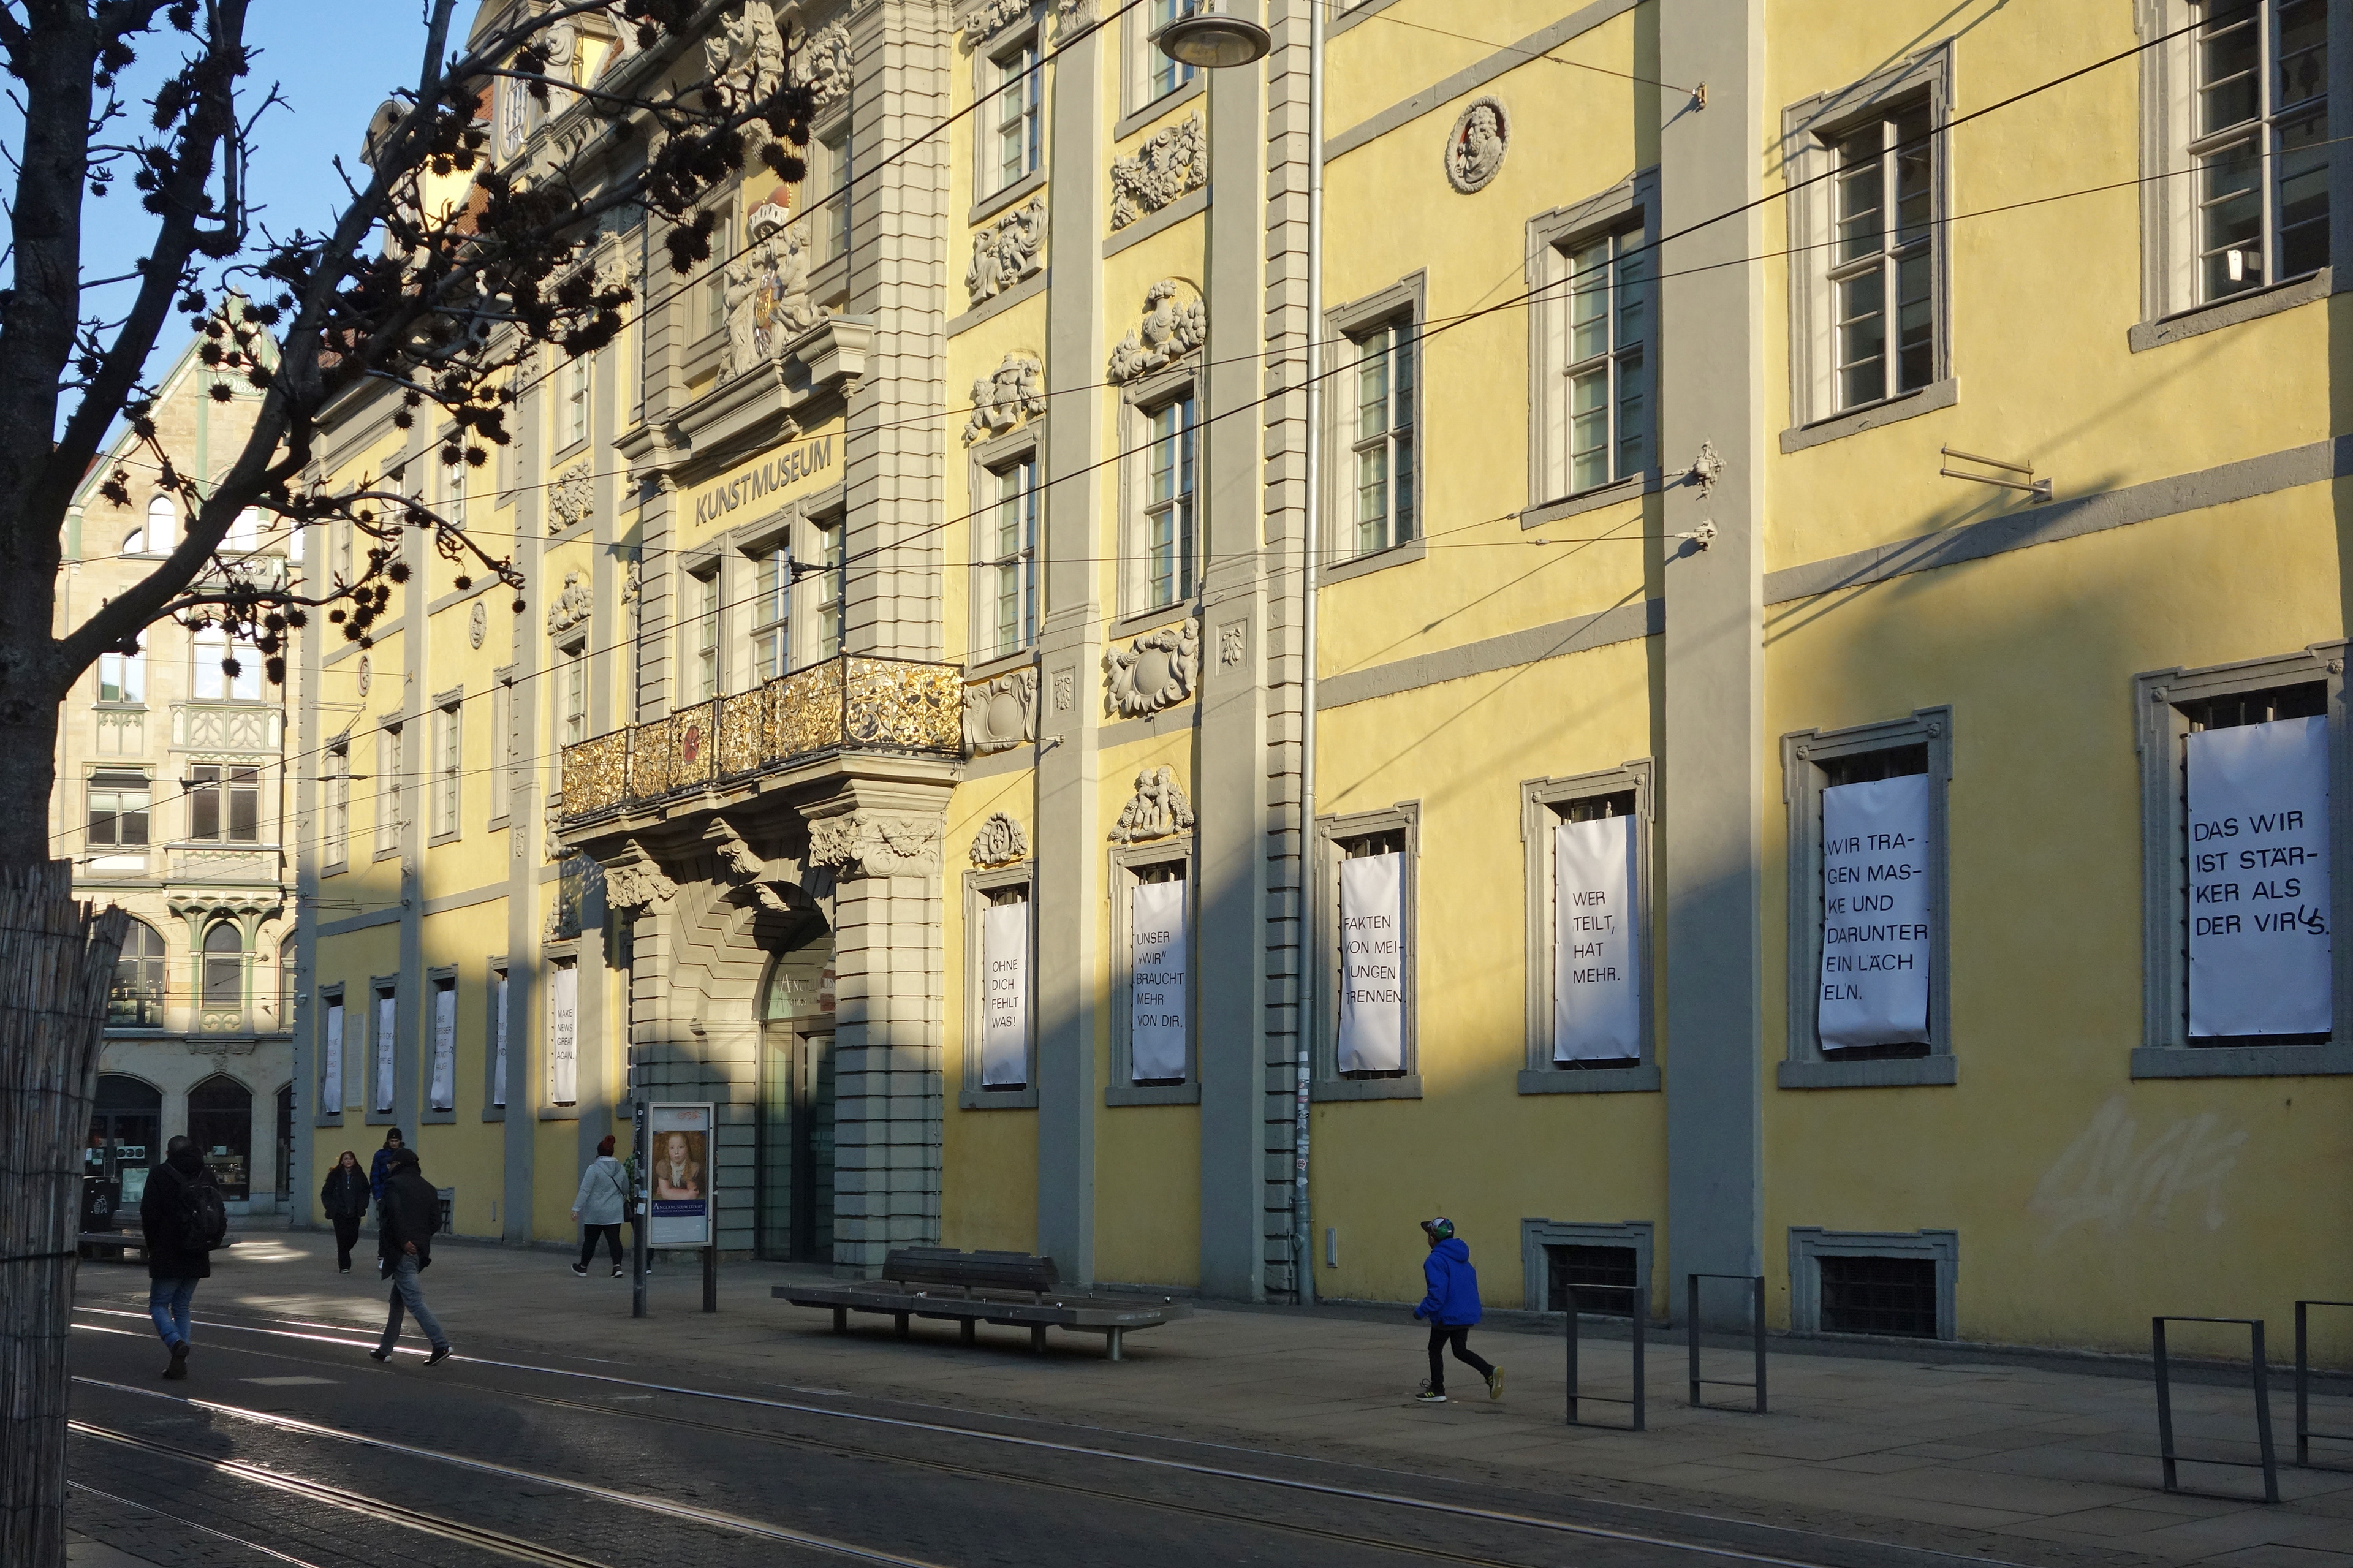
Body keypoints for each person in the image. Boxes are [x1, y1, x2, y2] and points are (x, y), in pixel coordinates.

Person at [138, 1135, 224, 1380]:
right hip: (198, 1250)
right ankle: (181, 1361)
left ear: (169, 1153)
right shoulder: (206, 1174)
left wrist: (153, 1247)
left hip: (168, 1250)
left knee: (158, 1304)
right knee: (182, 1306)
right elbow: (217, 1211)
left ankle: (176, 1342)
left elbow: (149, 1214)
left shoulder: (160, 1174)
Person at [369, 1145, 452, 1366]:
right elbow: (436, 1222)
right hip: (419, 1251)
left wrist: (404, 1242)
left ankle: (441, 1344)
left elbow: (392, 1217)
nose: (389, 1167)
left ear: (398, 1165)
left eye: (391, 1164)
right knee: (398, 1301)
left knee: (414, 1300)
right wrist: (419, 1240)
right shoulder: (428, 1187)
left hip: (401, 1251)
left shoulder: (393, 1185)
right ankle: (385, 1349)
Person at [1412, 1216, 1500, 1404]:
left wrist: (1421, 1311)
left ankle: (1438, 1390)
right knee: (1460, 1350)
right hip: (1464, 1314)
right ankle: (1489, 1371)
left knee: (1434, 1349)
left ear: (1432, 1238)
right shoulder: (1461, 1257)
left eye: (1428, 1234)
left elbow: (1437, 1292)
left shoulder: (1435, 1259)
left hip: (1446, 1315)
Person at [570, 1134, 629, 1278]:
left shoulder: (593, 1169)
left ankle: (583, 1267)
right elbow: (626, 1188)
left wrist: (576, 1208)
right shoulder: (620, 1168)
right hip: (614, 1211)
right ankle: (617, 1267)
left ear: (598, 1152)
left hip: (595, 1212)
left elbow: (585, 1190)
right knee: (614, 1240)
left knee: (590, 1241)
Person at [320, 1150, 369, 1274]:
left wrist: (362, 1206)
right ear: (342, 1161)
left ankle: (343, 1252)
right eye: (346, 1159)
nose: (349, 1161)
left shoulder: (359, 1175)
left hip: (355, 1212)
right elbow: (326, 1193)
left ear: (354, 1160)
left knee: (353, 1237)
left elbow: (365, 1191)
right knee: (341, 1238)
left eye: (351, 1159)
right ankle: (344, 1266)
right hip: (339, 1212)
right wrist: (331, 1207)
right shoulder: (335, 1175)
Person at [652, 1131, 701, 1200]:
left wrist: (670, 1192)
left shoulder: (693, 1167)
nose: (676, 1152)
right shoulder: (664, 1166)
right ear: (667, 1150)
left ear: (687, 1149)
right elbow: (665, 1194)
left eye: (681, 1147)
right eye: (672, 1148)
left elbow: (692, 1194)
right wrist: (685, 1194)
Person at [368, 1127, 404, 1213]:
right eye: (392, 1141)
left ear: (400, 1141)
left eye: (396, 1141)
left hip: (401, 1194)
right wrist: (378, 1197)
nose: (394, 1143)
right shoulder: (380, 1155)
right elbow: (374, 1176)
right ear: (388, 1141)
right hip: (384, 1194)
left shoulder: (405, 1154)